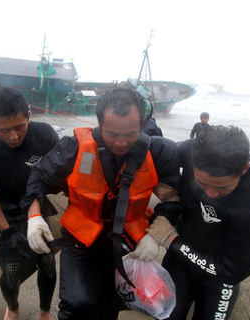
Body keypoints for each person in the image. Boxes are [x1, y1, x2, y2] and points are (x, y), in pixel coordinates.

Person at [20, 87, 181, 320]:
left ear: (143, 123)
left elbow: (173, 200)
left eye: (131, 134)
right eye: (112, 133)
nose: (121, 142)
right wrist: (34, 218)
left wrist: (155, 236)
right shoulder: (73, 148)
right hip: (80, 237)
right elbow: (40, 178)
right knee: (76, 303)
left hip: (127, 241)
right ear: (99, 123)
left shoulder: (160, 152)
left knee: (108, 307)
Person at [146, 125, 250, 320]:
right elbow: (152, 148)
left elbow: (231, 271)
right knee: (165, 317)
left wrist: (171, 240)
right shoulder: (191, 150)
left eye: (222, 188)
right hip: (179, 263)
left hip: (219, 278)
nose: (211, 194)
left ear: (245, 169)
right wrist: (163, 183)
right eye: (202, 183)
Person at [0, 86, 58, 320]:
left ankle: (45, 311)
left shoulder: (45, 136)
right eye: (3, 130)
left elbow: (56, 177)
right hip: (4, 207)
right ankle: (13, 308)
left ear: (29, 115)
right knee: (11, 270)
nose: (14, 136)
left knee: (48, 263)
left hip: (35, 206)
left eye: (20, 127)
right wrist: (7, 232)